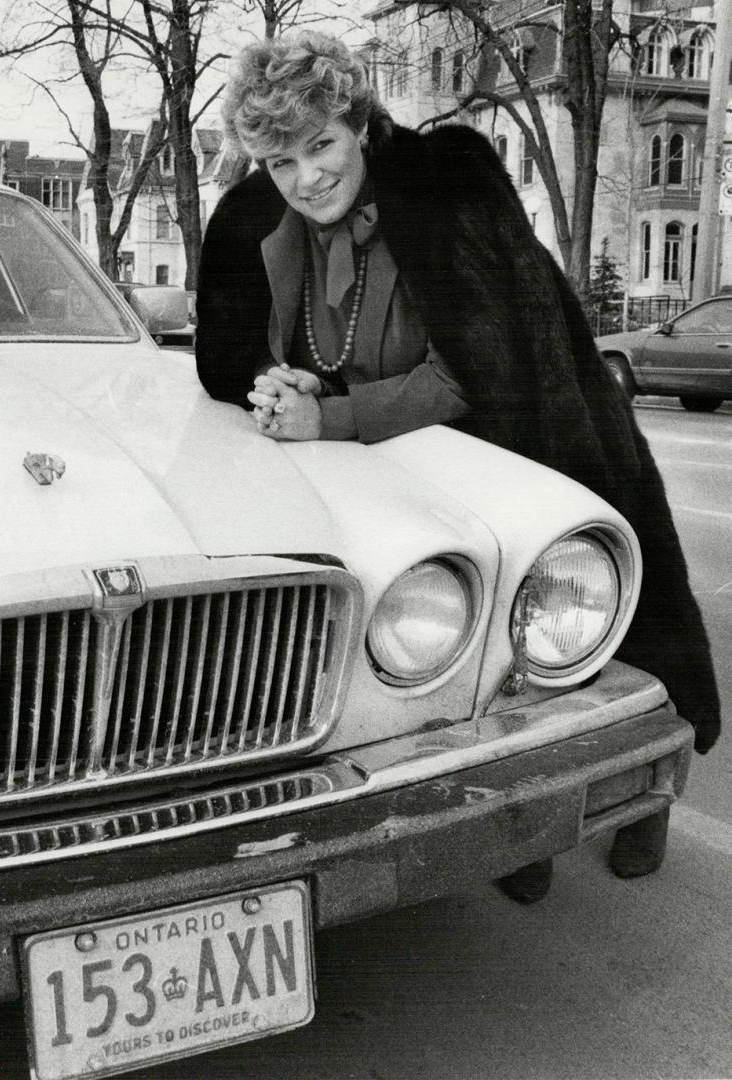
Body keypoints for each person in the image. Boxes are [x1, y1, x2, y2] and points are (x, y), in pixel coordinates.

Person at [196, 32, 720, 902]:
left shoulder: (444, 186)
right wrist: (281, 382)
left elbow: (472, 366)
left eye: (321, 144)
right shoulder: (270, 225)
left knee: (582, 621)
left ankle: (640, 799)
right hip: (404, 466)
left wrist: (325, 415)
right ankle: (519, 830)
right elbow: (260, 353)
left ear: (359, 124)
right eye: (280, 161)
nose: (307, 177)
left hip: (529, 436)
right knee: (472, 655)